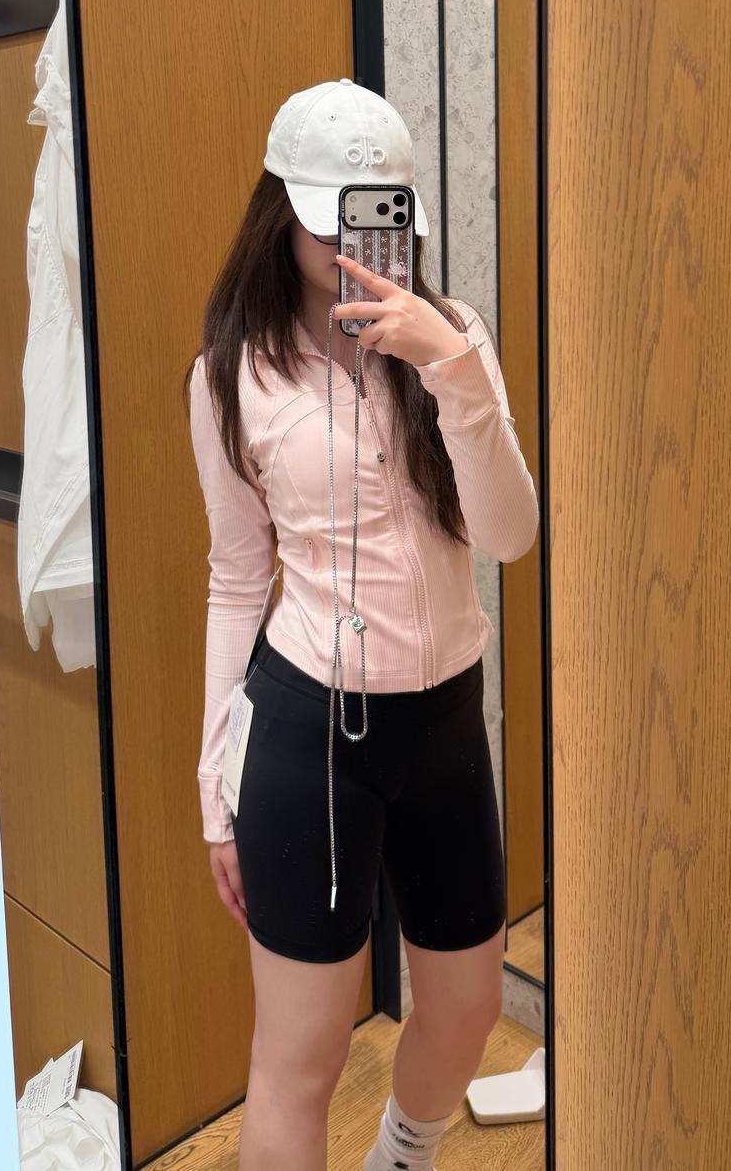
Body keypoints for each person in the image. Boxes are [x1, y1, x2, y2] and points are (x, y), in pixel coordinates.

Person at [183, 77, 539, 1171]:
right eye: (328, 220)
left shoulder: (453, 338)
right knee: (302, 1052)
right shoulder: (230, 374)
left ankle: (403, 1153)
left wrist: (450, 368)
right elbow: (235, 578)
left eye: (373, 218)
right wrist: (214, 785)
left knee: (467, 1005)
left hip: (444, 725)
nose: (351, 244)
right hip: (307, 735)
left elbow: (509, 535)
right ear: (279, 216)